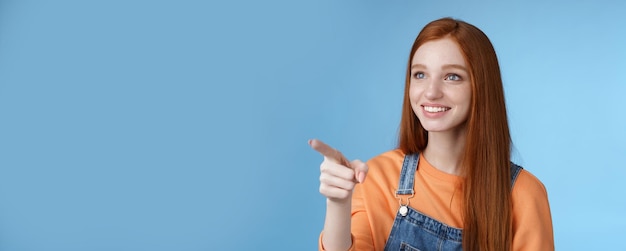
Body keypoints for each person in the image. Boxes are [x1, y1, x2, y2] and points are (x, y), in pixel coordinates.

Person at [309, 17, 554, 251]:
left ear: (481, 87)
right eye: (420, 74)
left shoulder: (525, 195)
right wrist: (338, 204)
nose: (431, 92)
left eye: (452, 77)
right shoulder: (378, 178)